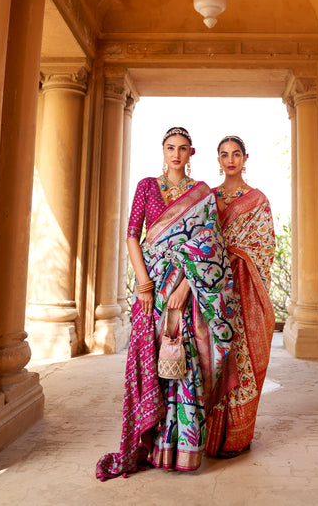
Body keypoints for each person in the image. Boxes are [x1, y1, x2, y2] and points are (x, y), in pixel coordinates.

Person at [96, 127, 235, 480]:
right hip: (152, 285)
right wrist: (143, 284)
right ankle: (152, 443)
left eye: (183, 149)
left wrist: (187, 286)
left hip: (187, 288)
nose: (176, 154)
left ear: (191, 153)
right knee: (152, 361)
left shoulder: (201, 194)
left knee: (184, 361)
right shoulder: (146, 186)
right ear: (163, 150)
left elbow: (211, 245)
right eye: (170, 148)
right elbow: (132, 235)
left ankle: (183, 448)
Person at [205, 135, 276, 459]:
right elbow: (200, 241)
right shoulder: (208, 197)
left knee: (244, 358)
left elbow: (265, 248)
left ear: (245, 158)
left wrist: (237, 256)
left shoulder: (257, 201)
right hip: (214, 291)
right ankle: (211, 436)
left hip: (245, 292)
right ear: (217, 160)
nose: (230, 159)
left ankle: (237, 436)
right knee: (214, 360)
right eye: (224, 155)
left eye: (236, 154)